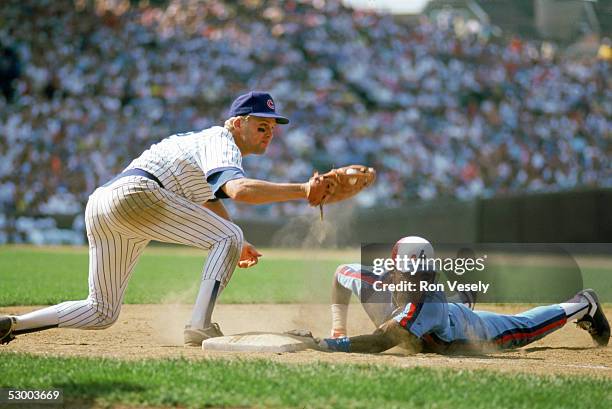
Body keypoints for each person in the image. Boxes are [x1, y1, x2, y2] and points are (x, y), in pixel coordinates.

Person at [0, 91, 321, 347]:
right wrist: (303, 189)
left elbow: (209, 200)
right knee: (228, 235)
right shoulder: (221, 141)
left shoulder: (200, 145)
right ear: (237, 123)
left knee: (101, 312)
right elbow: (239, 190)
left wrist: (240, 242)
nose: (269, 134)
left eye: (272, 129)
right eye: (261, 126)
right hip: (138, 195)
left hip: (102, 205)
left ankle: (14, 323)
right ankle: (199, 325)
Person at [321, 236, 610, 354]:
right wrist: (338, 327)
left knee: (524, 326)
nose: (420, 282)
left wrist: (326, 344)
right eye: (412, 275)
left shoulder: (426, 302)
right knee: (450, 304)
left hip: (468, 330)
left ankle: (583, 304)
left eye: (426, 275)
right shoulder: (373, 283)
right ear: (393, 272)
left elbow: (380, 341)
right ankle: (467, 291)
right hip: (445, 314)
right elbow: (339, 274)